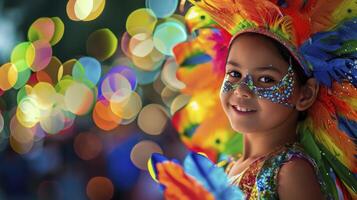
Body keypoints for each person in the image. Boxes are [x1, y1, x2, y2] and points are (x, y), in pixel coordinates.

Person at [150, 0, 357, 199]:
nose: (241, 90)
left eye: (266, 79)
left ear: (305, 94)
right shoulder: (225, 168)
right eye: (234, 74)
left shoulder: (291, 172)